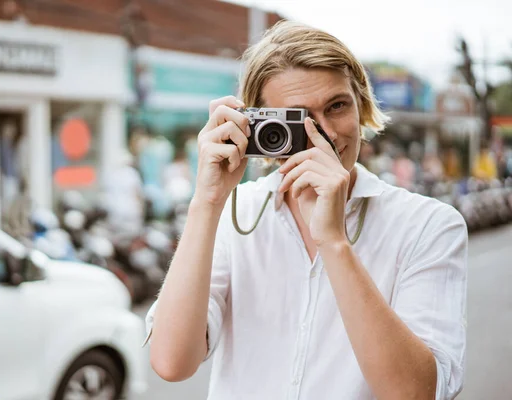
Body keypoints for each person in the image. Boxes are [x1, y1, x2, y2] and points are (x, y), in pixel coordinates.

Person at [145, 21, 467, 400]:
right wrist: (207, 201)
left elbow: (415, 394)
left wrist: (334, 242)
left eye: (337, 106)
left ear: (361, 105)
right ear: (259, 128)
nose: (325, 133)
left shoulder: (429, 226)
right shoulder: (236, 213)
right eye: (300, 118)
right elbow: (171, 363)